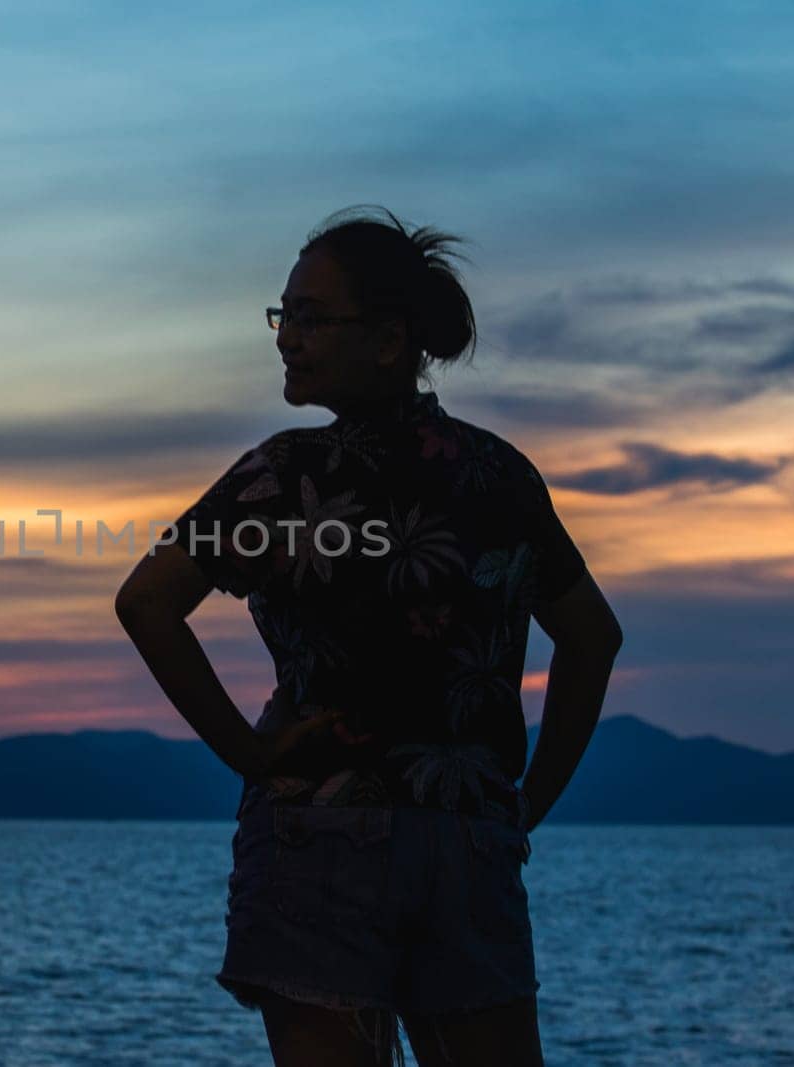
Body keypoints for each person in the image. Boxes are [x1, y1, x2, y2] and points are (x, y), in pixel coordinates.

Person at [115, 206, 623, 1066]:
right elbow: (592, 638)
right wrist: (526, 799)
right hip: (466, 842)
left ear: (389, 341)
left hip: (320, 836)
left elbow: (147, 603)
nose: (287, 338)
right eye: (284, 315)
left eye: (312, 317)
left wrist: (250, 752)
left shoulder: (283, 478)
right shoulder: (496, 474)